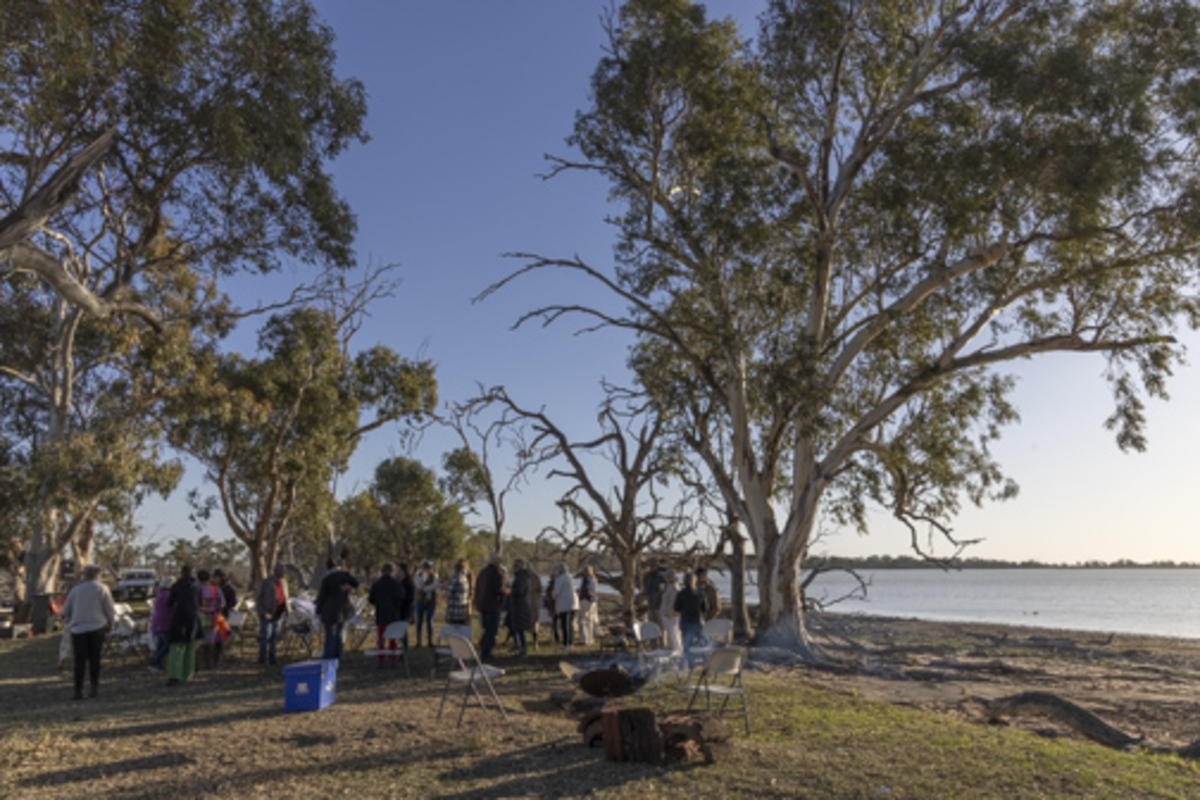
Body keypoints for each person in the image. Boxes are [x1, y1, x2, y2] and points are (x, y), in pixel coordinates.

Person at [60, 565, 117, 700]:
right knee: (95, 659)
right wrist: (111, 624)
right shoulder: (102, 589)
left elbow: (65, 611)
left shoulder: (76, 590)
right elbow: (110, 610)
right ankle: (94, 687)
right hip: (97, 627)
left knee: (79, 662)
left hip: (78, 629)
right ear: (98, 576)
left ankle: (78, 690)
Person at [315, 558, 359, 660]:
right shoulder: (345, 575)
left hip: (330, 611)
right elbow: (357, 584)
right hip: (343, 610)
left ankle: (328, 657)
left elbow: (322, 597)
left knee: (330, 636)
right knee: (339, 635)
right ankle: (338, 656)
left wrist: (318, 610)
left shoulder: (327, 579)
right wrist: (350, 589)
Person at [166, 565, 202, 686]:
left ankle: (174, 674)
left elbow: (170, 603)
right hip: (193, 617)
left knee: (177, 646)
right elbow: (200, 601)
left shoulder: (176, 586)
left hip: (179, 617)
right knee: (190, 646)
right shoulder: (197, 586)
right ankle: (187, 674)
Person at [367, 563, 407, 667]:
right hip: (393, 613)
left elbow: (371, 599)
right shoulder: (396, 584)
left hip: (381, 613)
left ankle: (381, 659)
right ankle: (393, 658)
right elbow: (402, 596)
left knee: (381, 638)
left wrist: (378, 602)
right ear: (392, 571)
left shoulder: (377, 584)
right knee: (392, 638)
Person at [255, 563, 290, 665]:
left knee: (274, 636)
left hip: (279, 613)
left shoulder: (284, 582)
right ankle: (262, 658)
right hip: (267, 613)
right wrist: (263, 611)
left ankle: (272, 658)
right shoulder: (266, 582)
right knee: (265, 636)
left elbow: (286, 597)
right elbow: (259, 599)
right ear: (276, 571)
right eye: (282, 571)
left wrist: (287, 609)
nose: (284, 573)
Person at [474, 553, 506, 661]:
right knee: (491, 631)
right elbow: (498, 589)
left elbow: (477, 588)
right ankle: (485, 653)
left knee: (487, 629)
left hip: (482, 605)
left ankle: (485, 650)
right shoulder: (496, 574)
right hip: (492, 606)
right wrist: (506, 592)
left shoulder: (482, 573)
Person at [197, 569, 228, 669]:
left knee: (200, 641)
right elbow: (223, 603)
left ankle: (200, 663)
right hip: (213, 617)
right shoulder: (215, 589)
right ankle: (210, 663)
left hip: (200, 617)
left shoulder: (196, 589)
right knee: (211, 640)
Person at [673, 572, 708, 659]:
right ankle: (705, 661)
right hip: (698, 621)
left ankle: (689, 663)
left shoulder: (681, 594)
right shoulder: (700, 593)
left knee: (687, 644)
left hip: (686, 621)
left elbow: (676, 608)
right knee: (702, 643)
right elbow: (705, 608)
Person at [508, 558, 536, 656]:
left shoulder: (522, 577)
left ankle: (524, 649)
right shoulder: (520, 577)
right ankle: (520, 647)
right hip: (518, 605)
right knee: (518, 628)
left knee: (521, 629)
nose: (513, 568)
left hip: (520, 605)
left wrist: (510, 591)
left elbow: (519, 590)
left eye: (515, 566)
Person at [551, 562, 579, 650]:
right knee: (570, 624)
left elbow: (556, 592)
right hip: (573, 604)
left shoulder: (560, 579)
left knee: (564, 625)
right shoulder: (570, 578)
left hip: (564, 604)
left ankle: (565, 643)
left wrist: (552, 596)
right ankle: (571, 643)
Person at [148, 576, 173, 672]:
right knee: (167, 645)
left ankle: (157, 663)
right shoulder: (168, 595)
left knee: (161, 644)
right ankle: (154, 662)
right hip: (164, 623)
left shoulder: (160, 594)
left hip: (157, 623)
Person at [413, 560, 438, 647]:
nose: (427, 570)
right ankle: (418, 641)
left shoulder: (435, 577)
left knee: (430, 621)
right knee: (419, 621)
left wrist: (424, 588)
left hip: (430, 601)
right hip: (420, 601)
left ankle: (430, 641)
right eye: (426, 568)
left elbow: (433, 586)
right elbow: (419, 584)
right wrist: (424, 583)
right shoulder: (418, 576)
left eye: (429, 568)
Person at [445, 558, 473, 626]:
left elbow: (448, 592)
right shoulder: (465, 578)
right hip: (463, 610)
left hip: (454, 611)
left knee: (453, 633)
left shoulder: (456, 577)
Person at [660, 568, 681, 656]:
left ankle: (678, 653)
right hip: (666, 614)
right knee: (671, 635)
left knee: (674, 636)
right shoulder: (668, 586)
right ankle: (675, 652)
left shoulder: (674, 587)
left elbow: (674, 602)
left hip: (671, 615)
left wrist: (670, 613)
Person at [577, 565, 599, 647]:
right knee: (590, 621)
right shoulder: (594, 580)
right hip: (592, 602)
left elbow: (587, 589)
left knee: (583, 620)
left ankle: (584, 639)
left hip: (585, 600)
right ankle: (590, 639)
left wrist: (584, 594)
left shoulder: (586, 580)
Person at [642, 559, 666, 627]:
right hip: (650, 601)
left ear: (657, 567)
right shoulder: (647, 576)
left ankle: (661, 636)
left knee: (659, 621)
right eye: (650, 566)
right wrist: (644, 591)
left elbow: (663, 589)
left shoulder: (661, 577)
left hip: (658, 602)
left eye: (653, 566)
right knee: (651, 619)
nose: (651, 568)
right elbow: (645, 587)